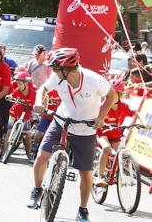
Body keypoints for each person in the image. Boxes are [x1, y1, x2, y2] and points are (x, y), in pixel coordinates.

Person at [28, 48, 117, 222]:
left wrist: (101, 116)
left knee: (85, 172)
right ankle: (37, 189)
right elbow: (42, 90)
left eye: (55, 69)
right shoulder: (58, 77)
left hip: (86, 128)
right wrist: (39, 101)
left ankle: (83, 210)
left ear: (66, 70)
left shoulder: (93, 80)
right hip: (62, 121)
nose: (53, 72)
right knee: (41, 157)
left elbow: (112, 95)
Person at [94, 79, 135, 187]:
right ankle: (100, 176)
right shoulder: (102, 106)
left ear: (120, 95)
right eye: (110, 94)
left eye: (116, 94)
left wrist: (144, 123)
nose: (112, 96)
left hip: (116, 135)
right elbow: (94, 118)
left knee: (120, 154)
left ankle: (115, 174)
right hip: (102, 133)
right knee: (106, 148)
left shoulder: (124, 106)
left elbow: (136, 113)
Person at [5, 72, 36, 161]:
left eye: (20, 83)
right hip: (15, 112)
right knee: (9, 131)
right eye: (17, 83)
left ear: (26, 83)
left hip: (25, 114)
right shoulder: (17, 90)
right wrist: (9, 96)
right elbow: (12, 95)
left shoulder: (33, 93)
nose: (18, 85)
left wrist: (34, 107)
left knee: (28, 135)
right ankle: (5, 151)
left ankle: (29, 154)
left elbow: (35, 104)